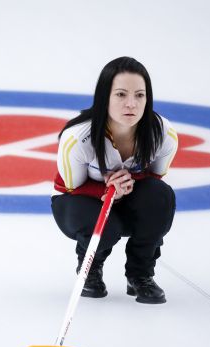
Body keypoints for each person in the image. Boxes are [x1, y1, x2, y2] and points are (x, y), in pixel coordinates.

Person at [51, 56, 178, 304]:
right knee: (107, 225)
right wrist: (107, 188)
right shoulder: (77, 138)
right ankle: (89, 269)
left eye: (139, 95)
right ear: (104, 97)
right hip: (77, 202)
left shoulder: (163, 133)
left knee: (160, 195)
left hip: (127, 199)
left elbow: (153, 178)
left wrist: (128, 183)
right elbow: (67, 187)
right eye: (121, 94)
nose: (131, 103)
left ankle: (140, 275)